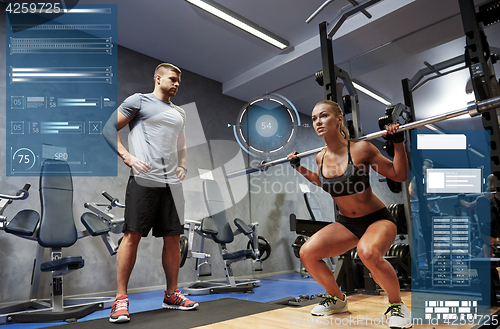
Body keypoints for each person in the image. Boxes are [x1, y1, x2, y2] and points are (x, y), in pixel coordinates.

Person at [287, 100, 411, 328]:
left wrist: (398, 142)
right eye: (314, 118)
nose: (318, 122)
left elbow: (398, 174)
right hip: (346, 223)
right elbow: (322, 181)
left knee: (368, 253)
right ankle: (337, 299)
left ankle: (396, 305)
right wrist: (298, 167)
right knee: (307, 253)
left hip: (377, 219)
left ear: (339, 119)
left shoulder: (361, 149)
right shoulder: (320, 157)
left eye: (323, 116)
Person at [103, 63, 198, 324]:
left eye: (179, 81)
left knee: (173, 237)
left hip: (172, 184)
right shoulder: (139, 101)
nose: (177, 84)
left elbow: (182, 144)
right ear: (158, 78)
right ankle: (120, 298)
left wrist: (183, 165)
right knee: (132, 234)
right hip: (145, 180)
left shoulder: (180, 113)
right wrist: (127, 156)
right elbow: (109, 128)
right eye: (172, 79)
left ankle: (172, 294)